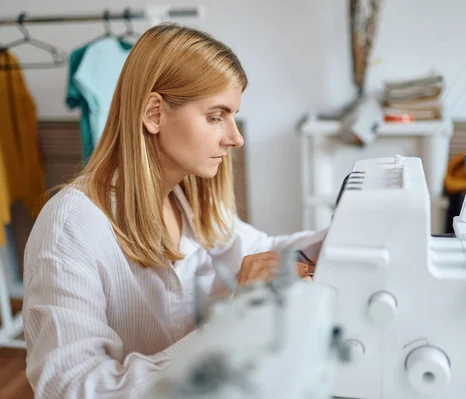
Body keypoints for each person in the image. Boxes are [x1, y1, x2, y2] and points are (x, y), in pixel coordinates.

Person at [22, 23, 325, 398]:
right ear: (154, 113)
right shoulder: (70, 227)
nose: (236, 137)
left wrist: (343, 236)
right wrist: (229, 323)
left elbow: (263, 248)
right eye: (216, 116)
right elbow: (70, 389)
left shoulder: (186, 201)